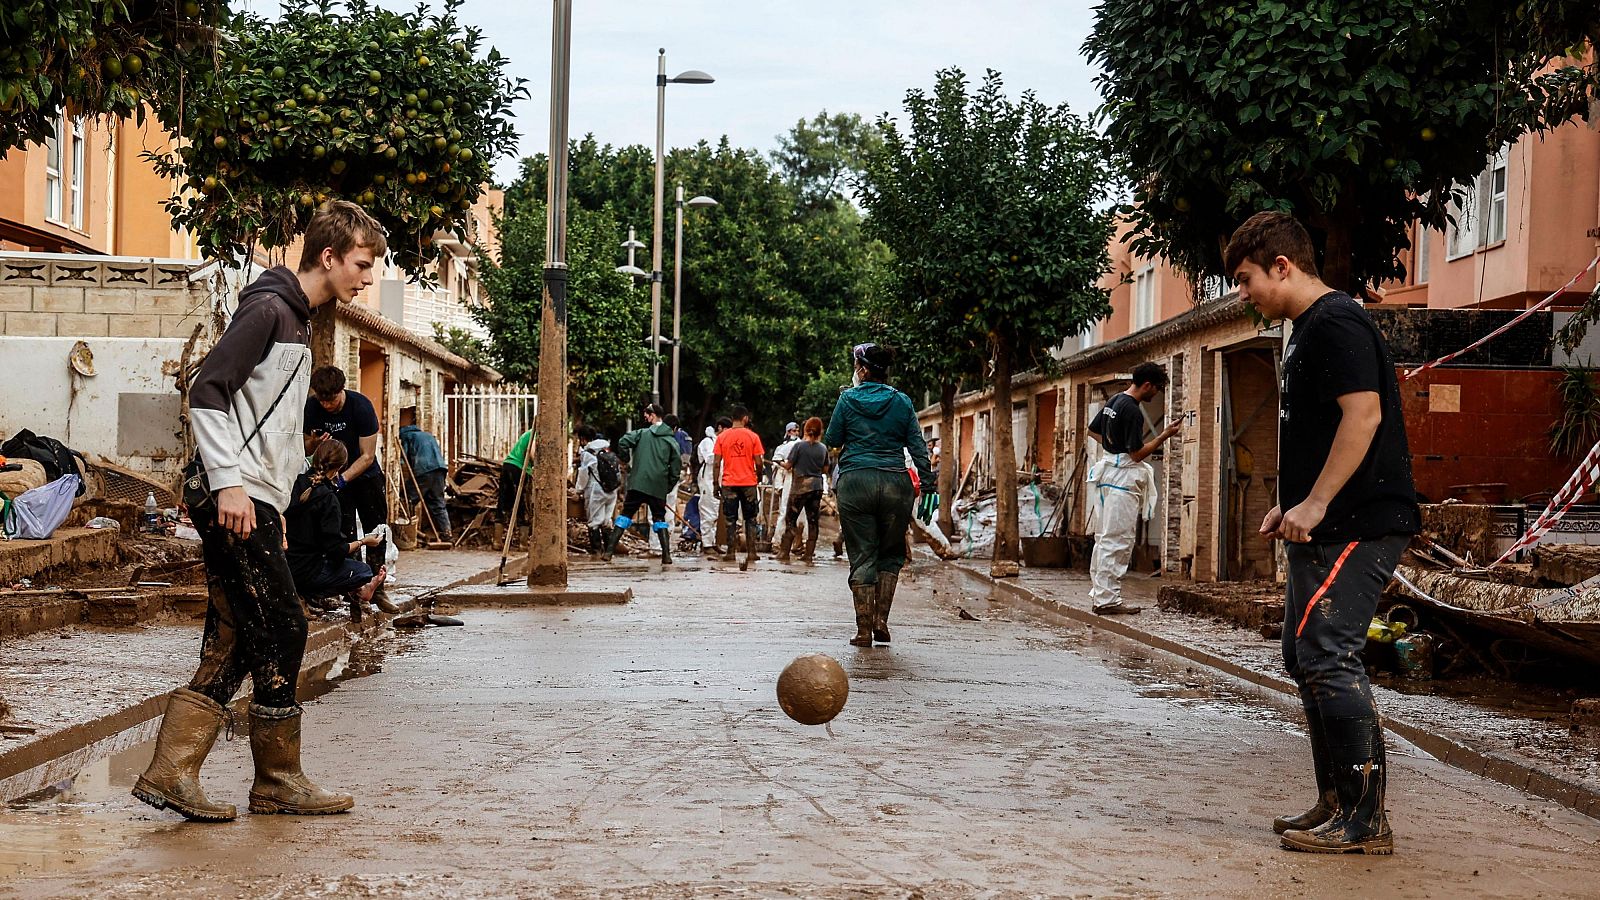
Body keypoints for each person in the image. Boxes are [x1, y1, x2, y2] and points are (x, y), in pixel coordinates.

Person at [133, 200, 381, 822]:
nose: (368, 277)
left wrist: (296, 468)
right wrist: (230, 484)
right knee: (284, 625)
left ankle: (174, 771)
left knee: (238, 631)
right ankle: (275, 778)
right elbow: (208, 389)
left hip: (256, 494)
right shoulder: (269, 309)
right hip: (233, 498)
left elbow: (260, 416)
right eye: (361, 262)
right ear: (328, 256)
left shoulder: (297, 321)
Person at [1227, 211, 1419, 855]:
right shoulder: (1306, 329)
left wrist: (1315, 503)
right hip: (1322, 521)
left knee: (1328, 653)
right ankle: (1338, 800)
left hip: (1359, 520)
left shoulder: (1336, 321)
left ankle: (1366, 821)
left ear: (1283, 266)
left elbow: (1362, 418)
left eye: (1248, 278)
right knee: (1303, 654)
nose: (1244, 293)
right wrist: (1292, 507)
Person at [825, 343, 932, 647]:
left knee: (862, 554)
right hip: (896, 484)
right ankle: (881, 621)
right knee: (891, 553)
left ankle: (862, 630)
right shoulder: (902, 401)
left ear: (862, 369)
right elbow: (917, 446)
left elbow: (832, 439)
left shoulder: (847, 399)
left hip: (855, 483)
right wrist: (930, 484)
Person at [1084, 362, 1183, 616]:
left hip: (1107, 475)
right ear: (1147, 385)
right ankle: (1107, 600)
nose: (1156, 394)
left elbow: (1093, 430)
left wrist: (1112, 449)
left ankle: (1101, 594)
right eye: (1157, 389)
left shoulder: (1115, 400)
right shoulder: (1133, 411)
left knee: (1104, 539)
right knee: (1118, 540)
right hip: (1122, 481)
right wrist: (1164, 435)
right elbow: (1137, 454)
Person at [303, 366, 391, 592]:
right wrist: (314, 442)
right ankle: (352, 587)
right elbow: (305, 447)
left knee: (376, 530)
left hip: (364, 476)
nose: (326, 405)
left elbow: (368, 456)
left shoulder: (360, 407)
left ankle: (377, 587)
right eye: (322, 401)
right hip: (333, 477)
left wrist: (341, 480)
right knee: (343, 532)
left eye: (331, 400)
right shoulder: (312, 407)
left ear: (341, 390)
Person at [286, 440, 386, 619]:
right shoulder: (328, 498)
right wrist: (363, 541)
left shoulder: (296, 483)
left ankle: (303, 595)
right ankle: (306, 595)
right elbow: (336, 551)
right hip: (306, 571)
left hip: (286, 566)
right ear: (340, 467)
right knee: (363, 571)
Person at [606, 404, 681, 564]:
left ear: (653, 416)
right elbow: (676, 470)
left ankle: (608, 552)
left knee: (626, 514)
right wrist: (666, 488)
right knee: (660, 518)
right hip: (657, 487)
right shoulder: (672, 442)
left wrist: (625, 459)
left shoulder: (642, 433)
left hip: (637, 484)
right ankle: (666, 556)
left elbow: (623, 441)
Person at [714, 405, 765, 571]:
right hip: (748, 483)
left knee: (730, 519)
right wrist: (757, 476)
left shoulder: (722, 437)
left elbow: (716, 463)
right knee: (751, 518)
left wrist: (716, 483)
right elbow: (759, 462)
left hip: (729, 483)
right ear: (745, 418)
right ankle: (751, 552)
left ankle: (730, 552)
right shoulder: (753, 437)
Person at [777, 417, 827, 564]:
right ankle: (809, 555)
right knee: (813, 521)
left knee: (791, 519)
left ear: (806, 430)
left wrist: (779, 462)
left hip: (800, 487)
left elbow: (788, 466)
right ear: (820, 431)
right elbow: (825, 468)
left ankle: (784, 552)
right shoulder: (823, 448)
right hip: (817, 487)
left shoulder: (799, 447)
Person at [398, 407, 450, 541]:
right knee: (438, 503)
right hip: (440, 469)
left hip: (424, 471)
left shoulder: (406, 436)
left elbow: (403, 458)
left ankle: (407, 531)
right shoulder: (427, 435)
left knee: (407, 498)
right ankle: (447, 534)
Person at [574, 425, 619, 554]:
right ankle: (609, 551)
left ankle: (597, 552)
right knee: (606, 521)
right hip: (611, 490)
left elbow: (583, 475)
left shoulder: (588, 453)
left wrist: (578, 491)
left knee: (594, 522)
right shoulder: (606, 448)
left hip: (596, 490)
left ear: (583, 439)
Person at [697, 417, 730, 557]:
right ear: (720, 428)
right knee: (707, 511)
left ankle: (714, 542)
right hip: (708, 481)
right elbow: (710, 459)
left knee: (717, 512)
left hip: (719, 481)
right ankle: (707, 544)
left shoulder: (721, 442)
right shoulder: (707, 442)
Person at [770, 421, 801, 545]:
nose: (796, 433)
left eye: (797, 431)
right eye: (793, 431)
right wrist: (779, 486)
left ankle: (799, 542)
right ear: (788, 432)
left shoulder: (800, 444)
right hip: (787, 479)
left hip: (799, 479)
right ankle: (777, 541)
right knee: (784, 511)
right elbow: (776, 463)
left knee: (800, 513)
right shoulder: (783, 447)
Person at [499, 429, 532, 519]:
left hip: (508, 465)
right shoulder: (536, 434)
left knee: (503, 503)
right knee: (522, 505)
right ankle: (523, 530)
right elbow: (532, 453)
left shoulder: (528, 433)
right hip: (519, 468)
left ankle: (499, 527)